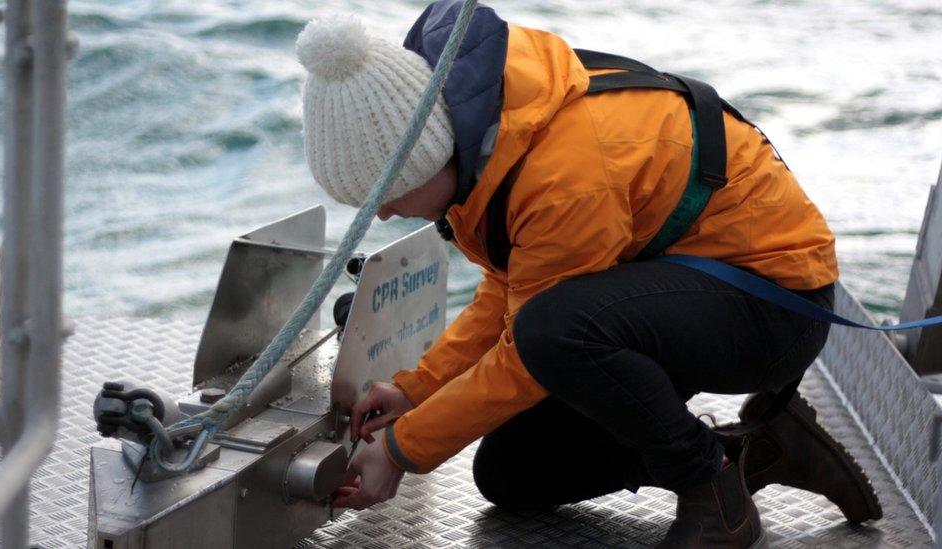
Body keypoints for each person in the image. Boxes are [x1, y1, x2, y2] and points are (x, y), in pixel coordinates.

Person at [295, 2, 882, 547]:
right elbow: (509, 289)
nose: (383, 213)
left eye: (388, 192)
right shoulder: (488, 143)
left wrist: (401, 450)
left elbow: (532, 345)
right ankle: (765, 450)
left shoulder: (563, 173)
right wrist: (415, 391)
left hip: (771, 305)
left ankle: (712, 486)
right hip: (675, 292)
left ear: (427, 155)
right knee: (513, 474)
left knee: (556, 332)